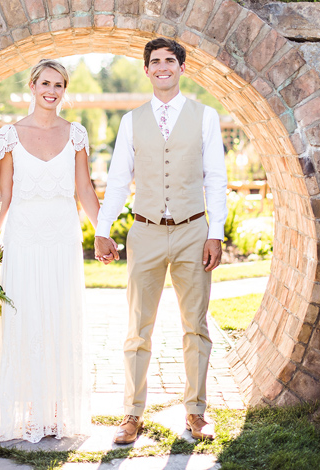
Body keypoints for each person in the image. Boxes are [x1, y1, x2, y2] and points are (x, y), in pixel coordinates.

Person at [0, 59, 114, 442]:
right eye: (45, 83)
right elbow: (4, 192)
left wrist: (102, 232)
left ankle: (55, 412)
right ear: (33, 85)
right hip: (23, 236)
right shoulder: (9, 134)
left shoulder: (76, 133)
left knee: (58, 315)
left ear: (64, 90)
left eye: (59, 85)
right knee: (23, 318)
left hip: (62, 237)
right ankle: (21, 410)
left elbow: (85, 190)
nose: (51, 91)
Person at [94, 37, 228, 443]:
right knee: (138, 328)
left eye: (171, 60)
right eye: (156, 61)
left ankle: (196, 413)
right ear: (147, 70)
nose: (163, 66)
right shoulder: (132, 121)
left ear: (182, 68)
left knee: (196, 327)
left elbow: (216, 179)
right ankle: (132, 415)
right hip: (145, 231)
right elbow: (119, 179)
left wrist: (216, 233)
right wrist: (103, 229)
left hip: (193, 231)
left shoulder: (205, 117)